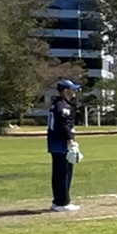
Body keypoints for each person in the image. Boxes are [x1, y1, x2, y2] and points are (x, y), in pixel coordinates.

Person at [48, 78, 81, 211]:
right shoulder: (64, 107)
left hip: (54, 144)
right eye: (72, 89)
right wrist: (71, 142)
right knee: (64, 173)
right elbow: (65, 126)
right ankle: (63, 202)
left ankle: (58, 201)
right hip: (61, 144)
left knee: (58, 173)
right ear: (65, 90)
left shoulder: (56, 104)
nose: (75, 92)